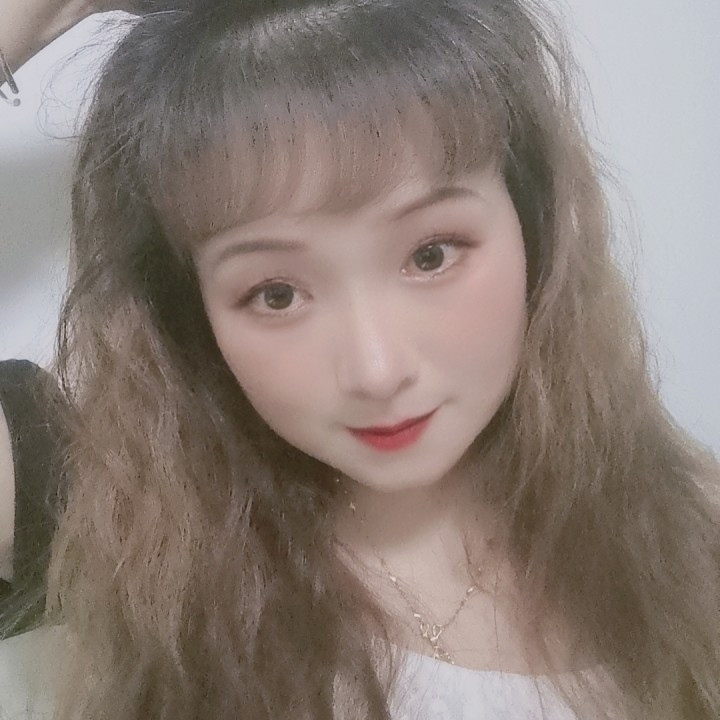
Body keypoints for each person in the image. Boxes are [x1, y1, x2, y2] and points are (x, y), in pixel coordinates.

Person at [1, 0, 719, 718]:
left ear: (534, 226)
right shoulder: (127, 522)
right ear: (191, 313)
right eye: (277, 294)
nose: (377, 370)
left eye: (431, 255)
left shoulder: (689, 530)